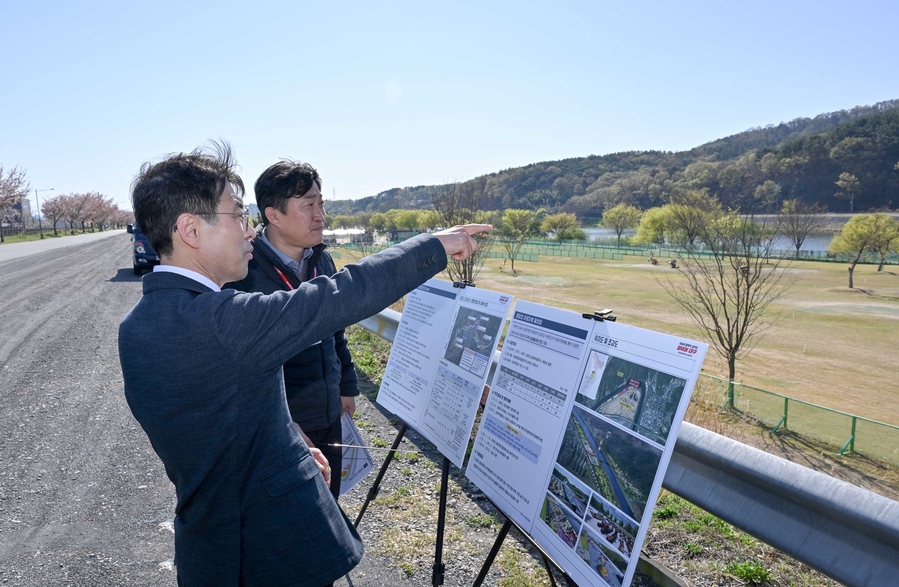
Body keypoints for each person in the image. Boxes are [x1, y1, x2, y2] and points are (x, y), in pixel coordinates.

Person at [118, 142, 490, 587]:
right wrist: (435, 245)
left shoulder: (139, 324)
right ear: (190, 230)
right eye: (237, 215)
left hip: (208, 546)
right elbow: (339, 296)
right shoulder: (220, 321)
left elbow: (220, 414)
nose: (249, 230)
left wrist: (286, 440)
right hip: (267, 552)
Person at [225, 160, 356, 500]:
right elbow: (239, 369)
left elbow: (335, 330)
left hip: (327, 414)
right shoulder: (243, 272)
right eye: (308, 205)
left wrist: (346, 387)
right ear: (274, 215)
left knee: (330, 509)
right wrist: (281, 425)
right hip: (278, 428)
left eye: (321, 203)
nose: (320, 215)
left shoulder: (321, 261)